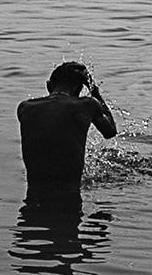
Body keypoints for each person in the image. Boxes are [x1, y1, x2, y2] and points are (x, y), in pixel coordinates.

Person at [17, 61, 119, 198]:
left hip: (34, 193)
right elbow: (110, 131)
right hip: (69, 194)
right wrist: (95, 92)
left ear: (48, 86)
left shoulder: (25, 108)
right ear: (78, 89)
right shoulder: (87, 105)